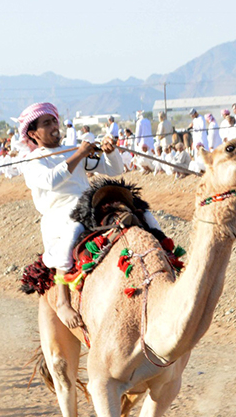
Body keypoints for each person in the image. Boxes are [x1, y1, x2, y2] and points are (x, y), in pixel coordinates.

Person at [16, 102, 160, 329]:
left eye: (54, 120)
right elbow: (52, 180)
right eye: (47, 123)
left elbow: (113, 170)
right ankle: (63, 300)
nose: (54, 126)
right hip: (60, 213)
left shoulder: (74, 151)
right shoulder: (34, 161)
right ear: (33, 134)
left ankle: (167, 262)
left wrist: (111, 152)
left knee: (141, 211)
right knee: (73, 228)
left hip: (89, 204)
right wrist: (81, 153)